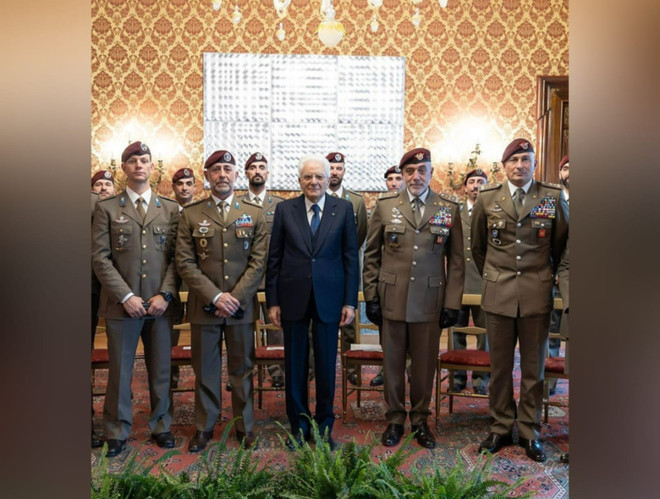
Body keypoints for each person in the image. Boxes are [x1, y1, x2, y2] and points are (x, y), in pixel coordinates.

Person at [471, 138, 568, 463]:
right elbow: (478, 248)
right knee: (499, 368)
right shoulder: (488, 198)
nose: (519, 166)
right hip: (498, 295)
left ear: (534, 165)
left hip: (535, 294)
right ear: (504, 166)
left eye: (525, 159)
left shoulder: (551, 197)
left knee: (532, 369)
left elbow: (560, 245)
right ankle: (500, 426)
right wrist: (497, 276)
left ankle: (529, 431)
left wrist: (544, 275)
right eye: (513, 160)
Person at [363, 147, 464, 449]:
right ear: (403, 174)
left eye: (422, 171)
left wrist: (452, 302)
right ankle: (395, 419)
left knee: (424, 367)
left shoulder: (448, 208)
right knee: (392, 364)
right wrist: (371, 296)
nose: (416, 176)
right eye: (410, 171)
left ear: (432, 173)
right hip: (392, 296)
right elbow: (371, 255)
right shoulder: (384, 206)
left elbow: (457, 260)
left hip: (430, 301)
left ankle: (420, 419)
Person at [92, 141, 180, 457]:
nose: (139, 165)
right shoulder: (107, 208)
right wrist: (126, 295)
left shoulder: (170, 209)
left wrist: (166, 294)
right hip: (121, 305)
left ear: (152, 168)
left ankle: (161, 425)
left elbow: (177, 258)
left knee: (160, 369)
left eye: (144, 160)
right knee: (120, 370)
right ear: (124, 168)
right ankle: (116, 430)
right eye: (133, 161)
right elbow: (100, 258)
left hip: (160, 305)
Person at [176, 150, 267, 452]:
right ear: (207, 176)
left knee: (242, 370)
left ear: (236, 175)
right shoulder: (191, 214)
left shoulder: (253, 213)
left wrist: (235, 298)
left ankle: (245, 427)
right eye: (216, 170)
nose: (222, 175)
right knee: (206, 369)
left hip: (241, 308)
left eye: (228, 169)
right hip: (205, 307)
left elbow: (259, 262)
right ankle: (204, 427)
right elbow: (185, 263)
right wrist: (215, 296)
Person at [266, 154, 359, 450]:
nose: (314, 182)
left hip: (330, 300)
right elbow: (275, 259)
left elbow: (349, 259)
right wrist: (273, 301)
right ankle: (299, 425)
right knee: (295, 366)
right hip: (292, 298)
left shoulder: (343, 209)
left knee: (326, 367)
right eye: (308, 177)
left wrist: (350, 301)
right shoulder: (284, 210)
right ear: (299, 180)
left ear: (328, 178)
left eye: (319, 176)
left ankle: (323, 427)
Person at [241, 152, 286, 389]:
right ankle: (244, 370)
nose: (257, 171)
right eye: (252, 167)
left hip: (273, 277)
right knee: (245, 327)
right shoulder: (237, 204)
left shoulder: (279, 205)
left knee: (276, 326)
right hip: (246, 279)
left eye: (262, 167)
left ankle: (277, 370)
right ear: (246, 173)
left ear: (267, 173)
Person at [326, 152, 368, 386]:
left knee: (349, 318)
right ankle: (315, 365)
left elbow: (359, 234)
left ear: (344, 171)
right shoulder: (314, 196)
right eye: (330, 167)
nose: (334, 172)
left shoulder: (357, 201)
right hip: (322, 268)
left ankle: (351, 368)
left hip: (347, 268)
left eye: (338, 168)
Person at [369, 165, 407, 388]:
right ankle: (386, 370)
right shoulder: (381, 207)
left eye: (397, 178)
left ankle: (411, 370)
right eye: (390, 179)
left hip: (413, 279)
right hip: (388, 279)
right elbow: (372, 248)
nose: (394, 183)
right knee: (388, 334)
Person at [452, 168, 490, 395]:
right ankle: (457, 375)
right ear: (465, 187)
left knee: (485, 333)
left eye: (481, 182)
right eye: (472, 182)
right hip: (458, 280)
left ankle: (481, 377)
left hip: (484, 281)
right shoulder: (455, 212)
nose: (476, 186)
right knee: (457, 332)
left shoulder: (493, 210)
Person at [548, 154, 569, 394]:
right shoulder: (550, 200)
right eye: (566, 168)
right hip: (552, 278)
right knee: (551, 331)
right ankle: (550, 383)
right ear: (560, 173)